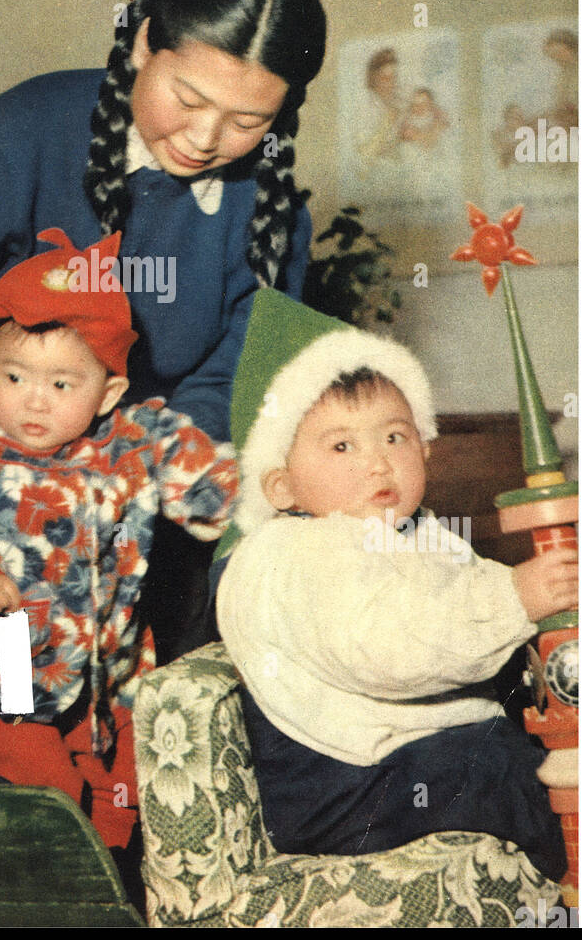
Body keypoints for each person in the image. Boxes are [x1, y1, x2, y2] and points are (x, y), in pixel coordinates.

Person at [0, 0, 326, 510]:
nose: (205, 139)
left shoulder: (275, 213)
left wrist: (171, 468)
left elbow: (231, 379)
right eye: (188, 99)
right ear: (146, 42)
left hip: (152, 511)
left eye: (247, 121)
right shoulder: (6, 139)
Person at [0, 229, 238, 853]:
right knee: (48, 791)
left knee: (133, 784)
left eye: (63, 385)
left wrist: (267, 493)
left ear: (109, 391)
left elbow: (210, 484)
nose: (34, 401)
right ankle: (60, 881)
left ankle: (116, 881)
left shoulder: (133, 440)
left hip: (103, 672)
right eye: (14, 376)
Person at [215, 294, 571, 883]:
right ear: (281, 487)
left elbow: (472, 591)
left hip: (401, 758)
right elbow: (388, 645)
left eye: (395, 438)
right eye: (342, 446)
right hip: (345, 788)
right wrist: (515, 601)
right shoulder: (297, 554)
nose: (378, 463)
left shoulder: (416, 533)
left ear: (425, 447)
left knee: (528, 733)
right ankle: (564, 884)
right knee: (504, 769)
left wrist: (534, 603)